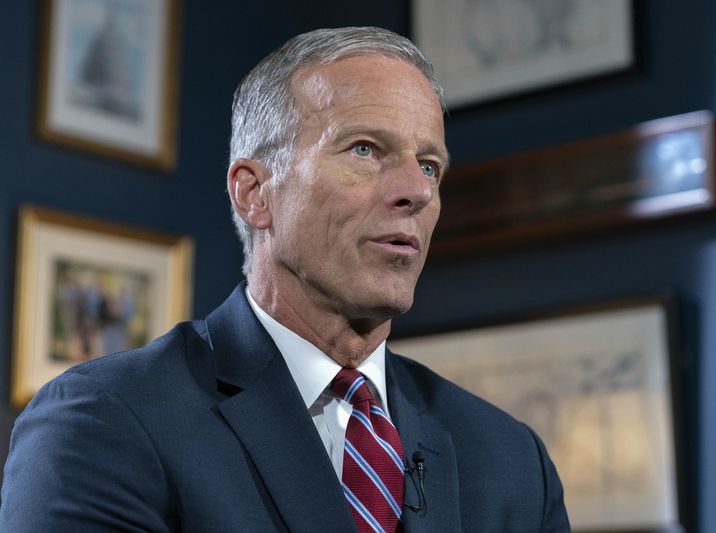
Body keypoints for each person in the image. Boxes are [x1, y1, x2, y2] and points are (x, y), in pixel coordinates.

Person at [0, 27, 569, 532]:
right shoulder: (104, 421)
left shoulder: (512, 460)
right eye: (366, 149)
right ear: (255, 192)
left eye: (429, 165)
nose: (417, 191)